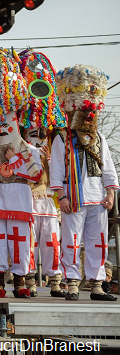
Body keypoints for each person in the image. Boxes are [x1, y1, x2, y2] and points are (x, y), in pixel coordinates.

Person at [51, 64, 118, 301]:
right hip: (73, 197)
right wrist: (62, 196)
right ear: (73, 112)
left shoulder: (99, 138)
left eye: (91, 112)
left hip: (98, 199)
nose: (89, 117)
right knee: (71, 241)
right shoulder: (62, 137)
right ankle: (71, 284)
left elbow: (108, 168)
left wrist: (110, 194)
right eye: (84, 112)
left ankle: (97, 284)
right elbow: (56, 169)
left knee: (97, 242)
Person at [0, 48, 43, 299]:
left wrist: (14, 159)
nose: (3, 129)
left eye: (7, 124)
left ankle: (20, 283)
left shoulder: (29, 149)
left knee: (20, 242)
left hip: (21, 199)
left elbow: (35, 175)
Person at [17, 50, 67, 297]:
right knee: (29, 244)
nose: (37, 137)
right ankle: (29, 282)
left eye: (42, 132)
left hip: (48, 201)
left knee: (51, 242)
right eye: (32, 132)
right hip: (27, 200)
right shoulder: (20, 148)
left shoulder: (53, 147)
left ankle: (55, 281)